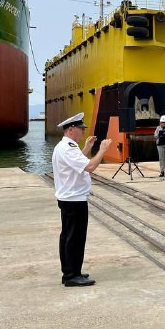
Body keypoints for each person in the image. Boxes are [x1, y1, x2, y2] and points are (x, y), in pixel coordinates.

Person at [52, 112, 112, 287]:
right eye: (81, 129)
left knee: (68, 236)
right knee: (75, 238)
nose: (83, 131)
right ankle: (72, 276)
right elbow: (90, 166)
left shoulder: (64, 146)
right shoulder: (68, 148)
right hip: (74, 199)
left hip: (69, 198)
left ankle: (70, 272)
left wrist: (87, 147)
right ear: (71, 129)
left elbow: (76, 164)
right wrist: (102, 150)